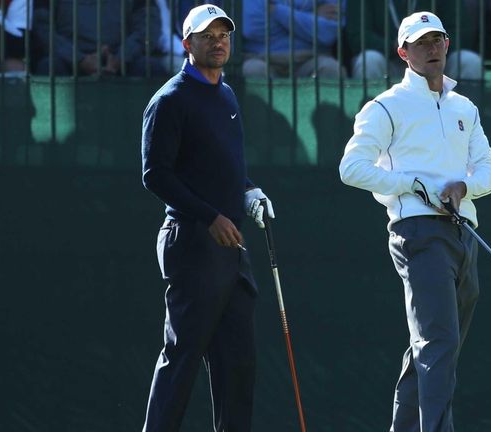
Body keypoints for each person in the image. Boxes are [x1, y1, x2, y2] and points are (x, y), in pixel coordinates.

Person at [339, 11, 491, 432]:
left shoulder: (465, 106)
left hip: (464, 236)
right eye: (421, 43)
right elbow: (351, 168)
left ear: (447, 45)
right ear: (403, 52)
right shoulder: (385, 107)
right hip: (418, 234)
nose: (431, 49)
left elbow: (489, 171)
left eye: (437, 41)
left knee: (432, 347)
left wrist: (463, 189)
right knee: (439, 344)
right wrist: (409, 184)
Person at [140, 4, 275, 431]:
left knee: (238, 362)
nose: (218, 41)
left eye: (224, 34)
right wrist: (209, 215)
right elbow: (155, 174)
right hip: (192, 240)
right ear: (187, 44)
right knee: (182, 358)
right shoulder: (170, 100)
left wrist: (248, 190)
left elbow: (224, 166)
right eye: (208, 35)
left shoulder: (227, 93)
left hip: (230, 246)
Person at [345, 0, 483, 80]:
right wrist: (399, 48)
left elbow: (462, 32)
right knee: (369, 60)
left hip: (437, 63)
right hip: (391, 61)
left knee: (469, 61)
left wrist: (430, 48)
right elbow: (358, 37)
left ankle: (466, 122)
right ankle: (376, 123)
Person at [32, 0, 165, 76]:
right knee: (49, 67)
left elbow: (148, 26)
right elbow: (43, 29)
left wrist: (121, 57)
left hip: (122, 59)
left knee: (150, 67)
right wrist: (78, 59)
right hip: (68, 61)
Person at [241, 0, 346, 78]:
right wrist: (312, 15)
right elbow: (252, 28)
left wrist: (277, 11)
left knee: (331, 68)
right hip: (262, 59)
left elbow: (328, 32)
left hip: (311, 58)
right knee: (252, 70)